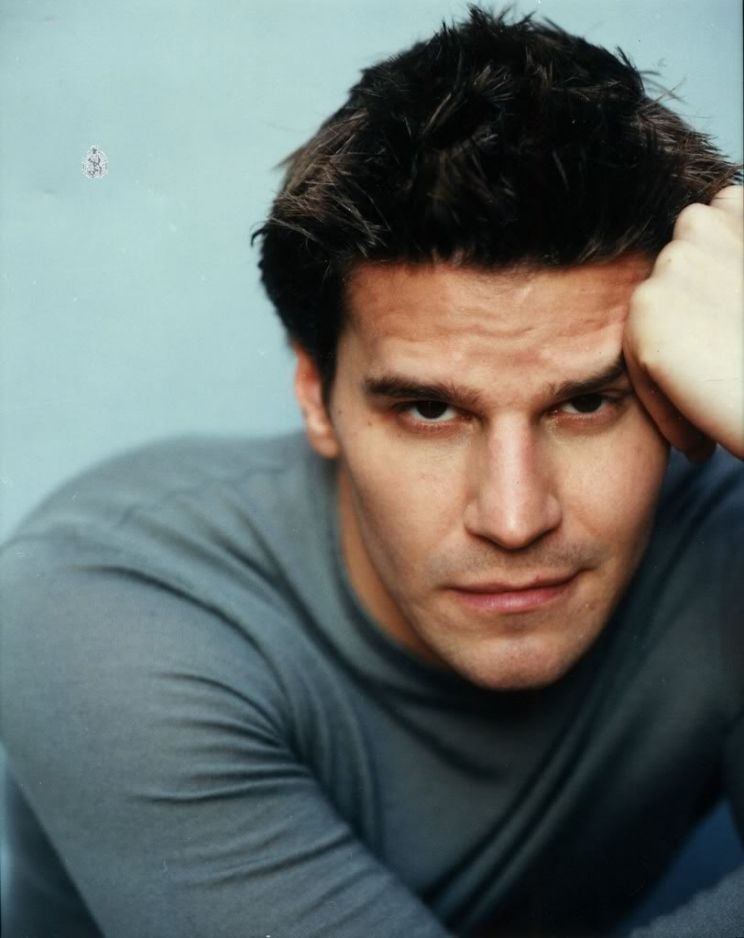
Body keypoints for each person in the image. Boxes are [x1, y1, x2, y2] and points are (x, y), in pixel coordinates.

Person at [1, 7, 742, 937]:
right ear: (315, 397)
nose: (515, 518)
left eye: (587, 403)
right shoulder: (105, 606)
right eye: (429, 410)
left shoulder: (725, 547)